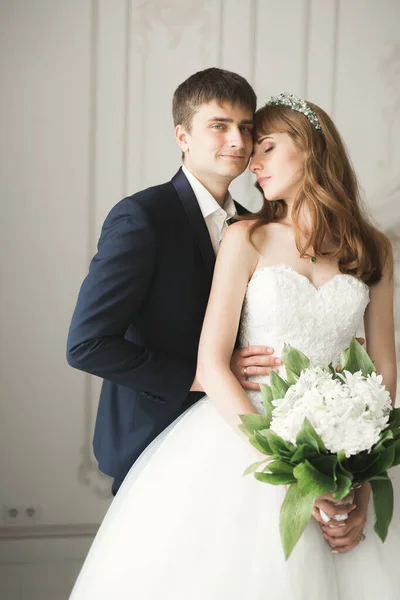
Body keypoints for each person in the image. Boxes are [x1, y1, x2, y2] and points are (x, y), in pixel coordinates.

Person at [69, 93, 398, 600]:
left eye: (263, 145)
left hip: (340, 437)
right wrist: (284, 468)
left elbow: (383, 369)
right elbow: (211, 361)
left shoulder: (373, 248)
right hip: (245, 434)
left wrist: (356, 471)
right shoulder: (246, 236)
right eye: (247, 145)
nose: (250, 160)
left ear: (310, 147)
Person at [66, 68, 281, 495]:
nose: (237, 141)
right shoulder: (143, 217)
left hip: (236, 436)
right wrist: (206, 375)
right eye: (218, 126)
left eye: (245, 127)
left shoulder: (256, 226)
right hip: (154, 437)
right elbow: (87, 345)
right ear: (183, 136)